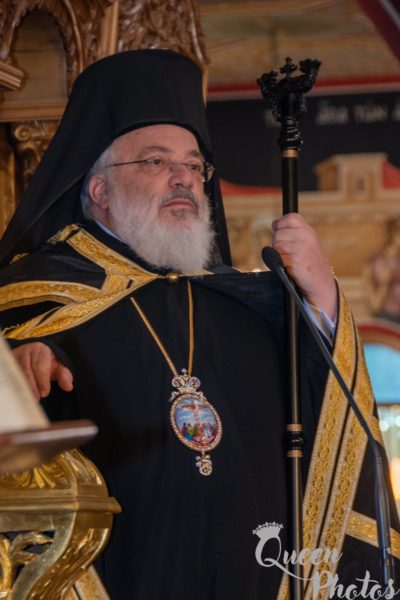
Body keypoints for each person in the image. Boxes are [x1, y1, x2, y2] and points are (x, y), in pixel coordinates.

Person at [0, 50, 398, 599]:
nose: (183, 179)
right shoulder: (31, 298)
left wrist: (321, 295)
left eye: (194, 165)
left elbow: (323, 416)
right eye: (155, 162)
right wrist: (13, 370)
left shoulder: (238, 305)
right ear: (98, 190)